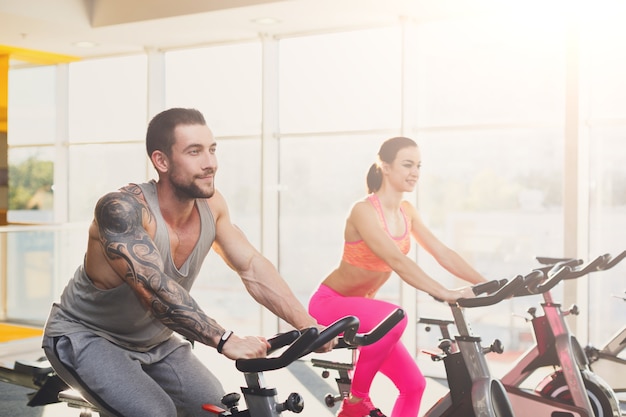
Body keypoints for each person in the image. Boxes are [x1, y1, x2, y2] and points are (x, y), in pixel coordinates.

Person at [42, 107, 332, 417]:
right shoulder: (122, 208)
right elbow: (154, 289)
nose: (210, 164)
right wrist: (224, 339)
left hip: (155, 342)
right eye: (195, 152)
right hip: (86, 336)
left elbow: (250, 266)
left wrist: (307, 324)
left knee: (215, 409)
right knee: (156, 412)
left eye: (212, 150)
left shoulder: (212, 205)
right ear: (161, 161)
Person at [308, 136, 488, 417]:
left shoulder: (407, 212)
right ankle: (356, 401)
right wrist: (445, 292)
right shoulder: (363, 211)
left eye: (418, 165)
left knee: (414, 385)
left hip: (365, 315)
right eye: (407, 164)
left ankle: (357, 404)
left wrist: (484, 283)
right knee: (397, 316)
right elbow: (397, 260)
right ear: (385, 167)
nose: (414, 172)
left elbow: (442, 252)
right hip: (330, 305)